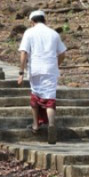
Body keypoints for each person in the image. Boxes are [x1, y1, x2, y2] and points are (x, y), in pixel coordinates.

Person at [17, 10, 67, 142]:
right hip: (50, 69)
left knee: (35, 96)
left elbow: (24, 53)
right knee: (50, 99)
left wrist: (21, 72)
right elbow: (62, 53)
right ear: (45, 20)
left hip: (36, 68)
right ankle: (51, 124)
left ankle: (35, 125)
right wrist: (56, 65)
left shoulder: (29, 33)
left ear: (32, 22)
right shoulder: (54, 33)